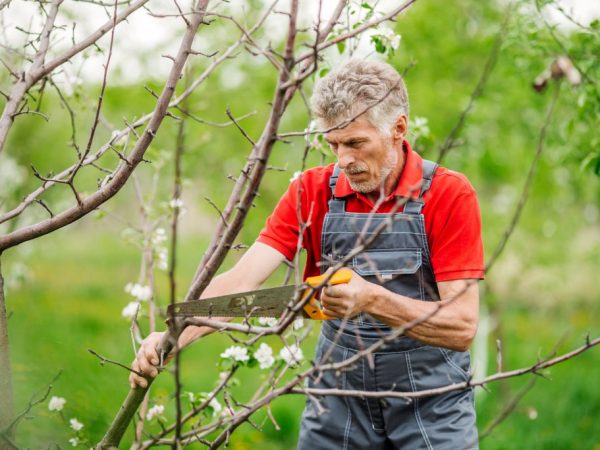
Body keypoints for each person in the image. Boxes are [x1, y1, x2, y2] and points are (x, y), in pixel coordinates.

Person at [130, 59, 484, 449]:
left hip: (431, 404)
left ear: (398, 128)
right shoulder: (311, 191)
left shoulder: (447, 194)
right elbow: (242, 282)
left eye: (355, 143)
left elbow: (461, 325)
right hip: (338, 399)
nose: (343, 159)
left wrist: (370, 298)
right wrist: (173, 334)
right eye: (333, 145)